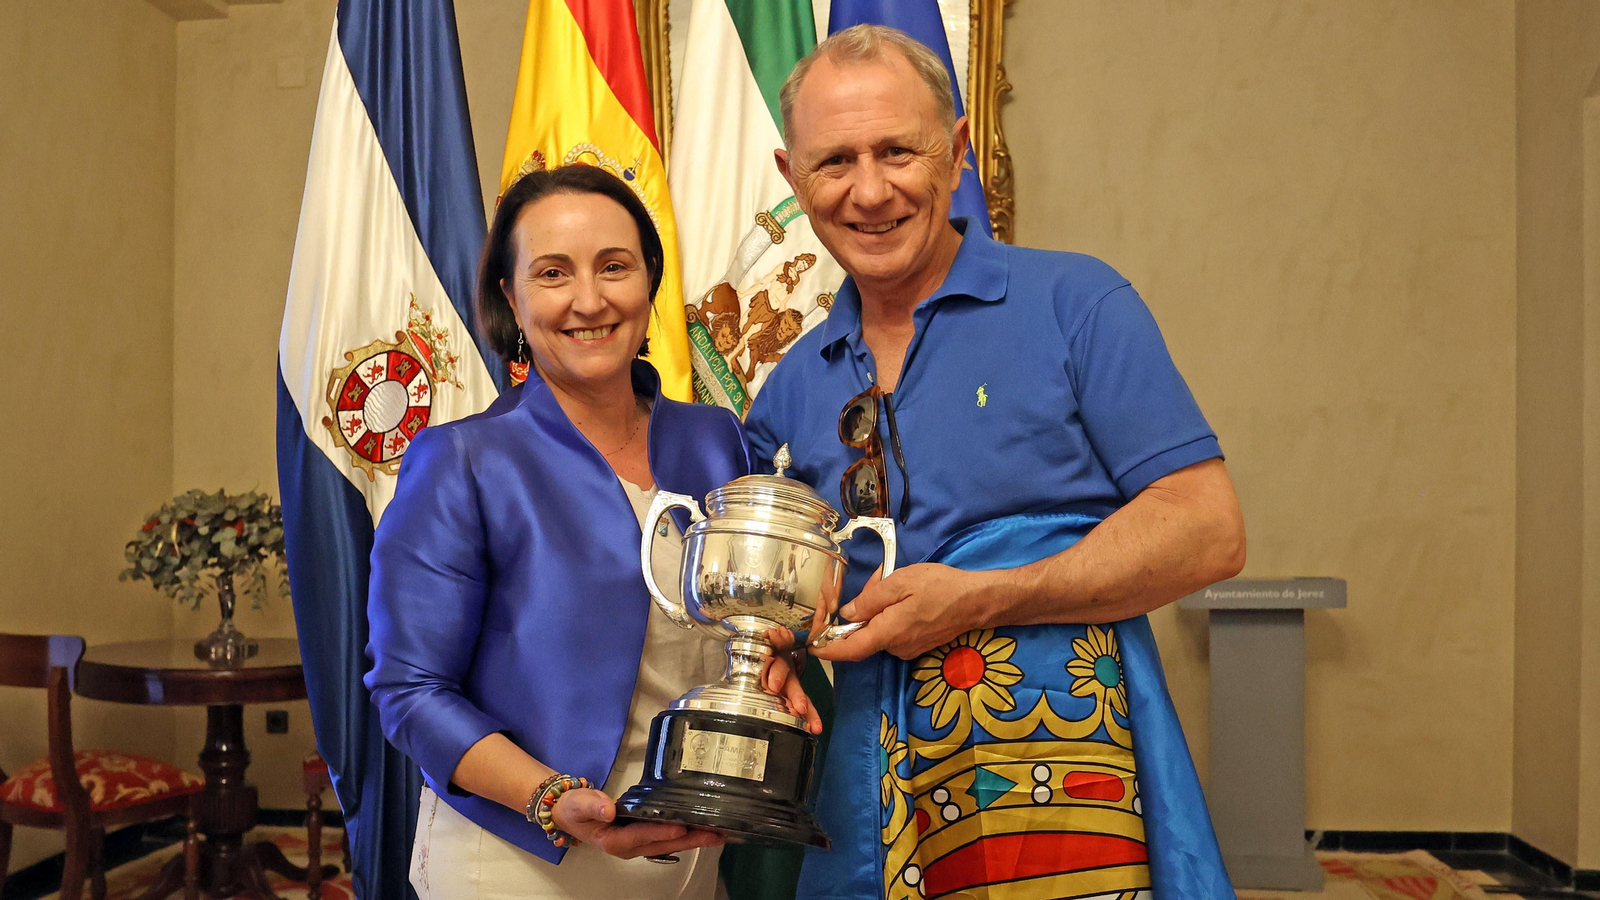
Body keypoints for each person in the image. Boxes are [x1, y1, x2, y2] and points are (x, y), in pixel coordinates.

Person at [748, 25, 1247, 900]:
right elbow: (800, 588)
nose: (870, 191)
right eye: (835, 163)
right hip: (874, 798)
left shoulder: (1078, 302)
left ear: (959, 151)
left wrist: (986, 596)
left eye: (899, 151)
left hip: (1064, 787)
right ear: (793, 179)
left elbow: (1209, 532)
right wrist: (781, 642)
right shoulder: (787, 388)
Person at [365, 164, 820, 900]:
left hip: (693, 858)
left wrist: (775, 658)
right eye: (552, 272)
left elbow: (751, 616)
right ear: (510, 297)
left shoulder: (720, 442)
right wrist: (553, 801)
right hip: (521, 858)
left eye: (615, 267)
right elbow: (409, 690)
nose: (589, 299)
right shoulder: (461, 461)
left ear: (649, 283)